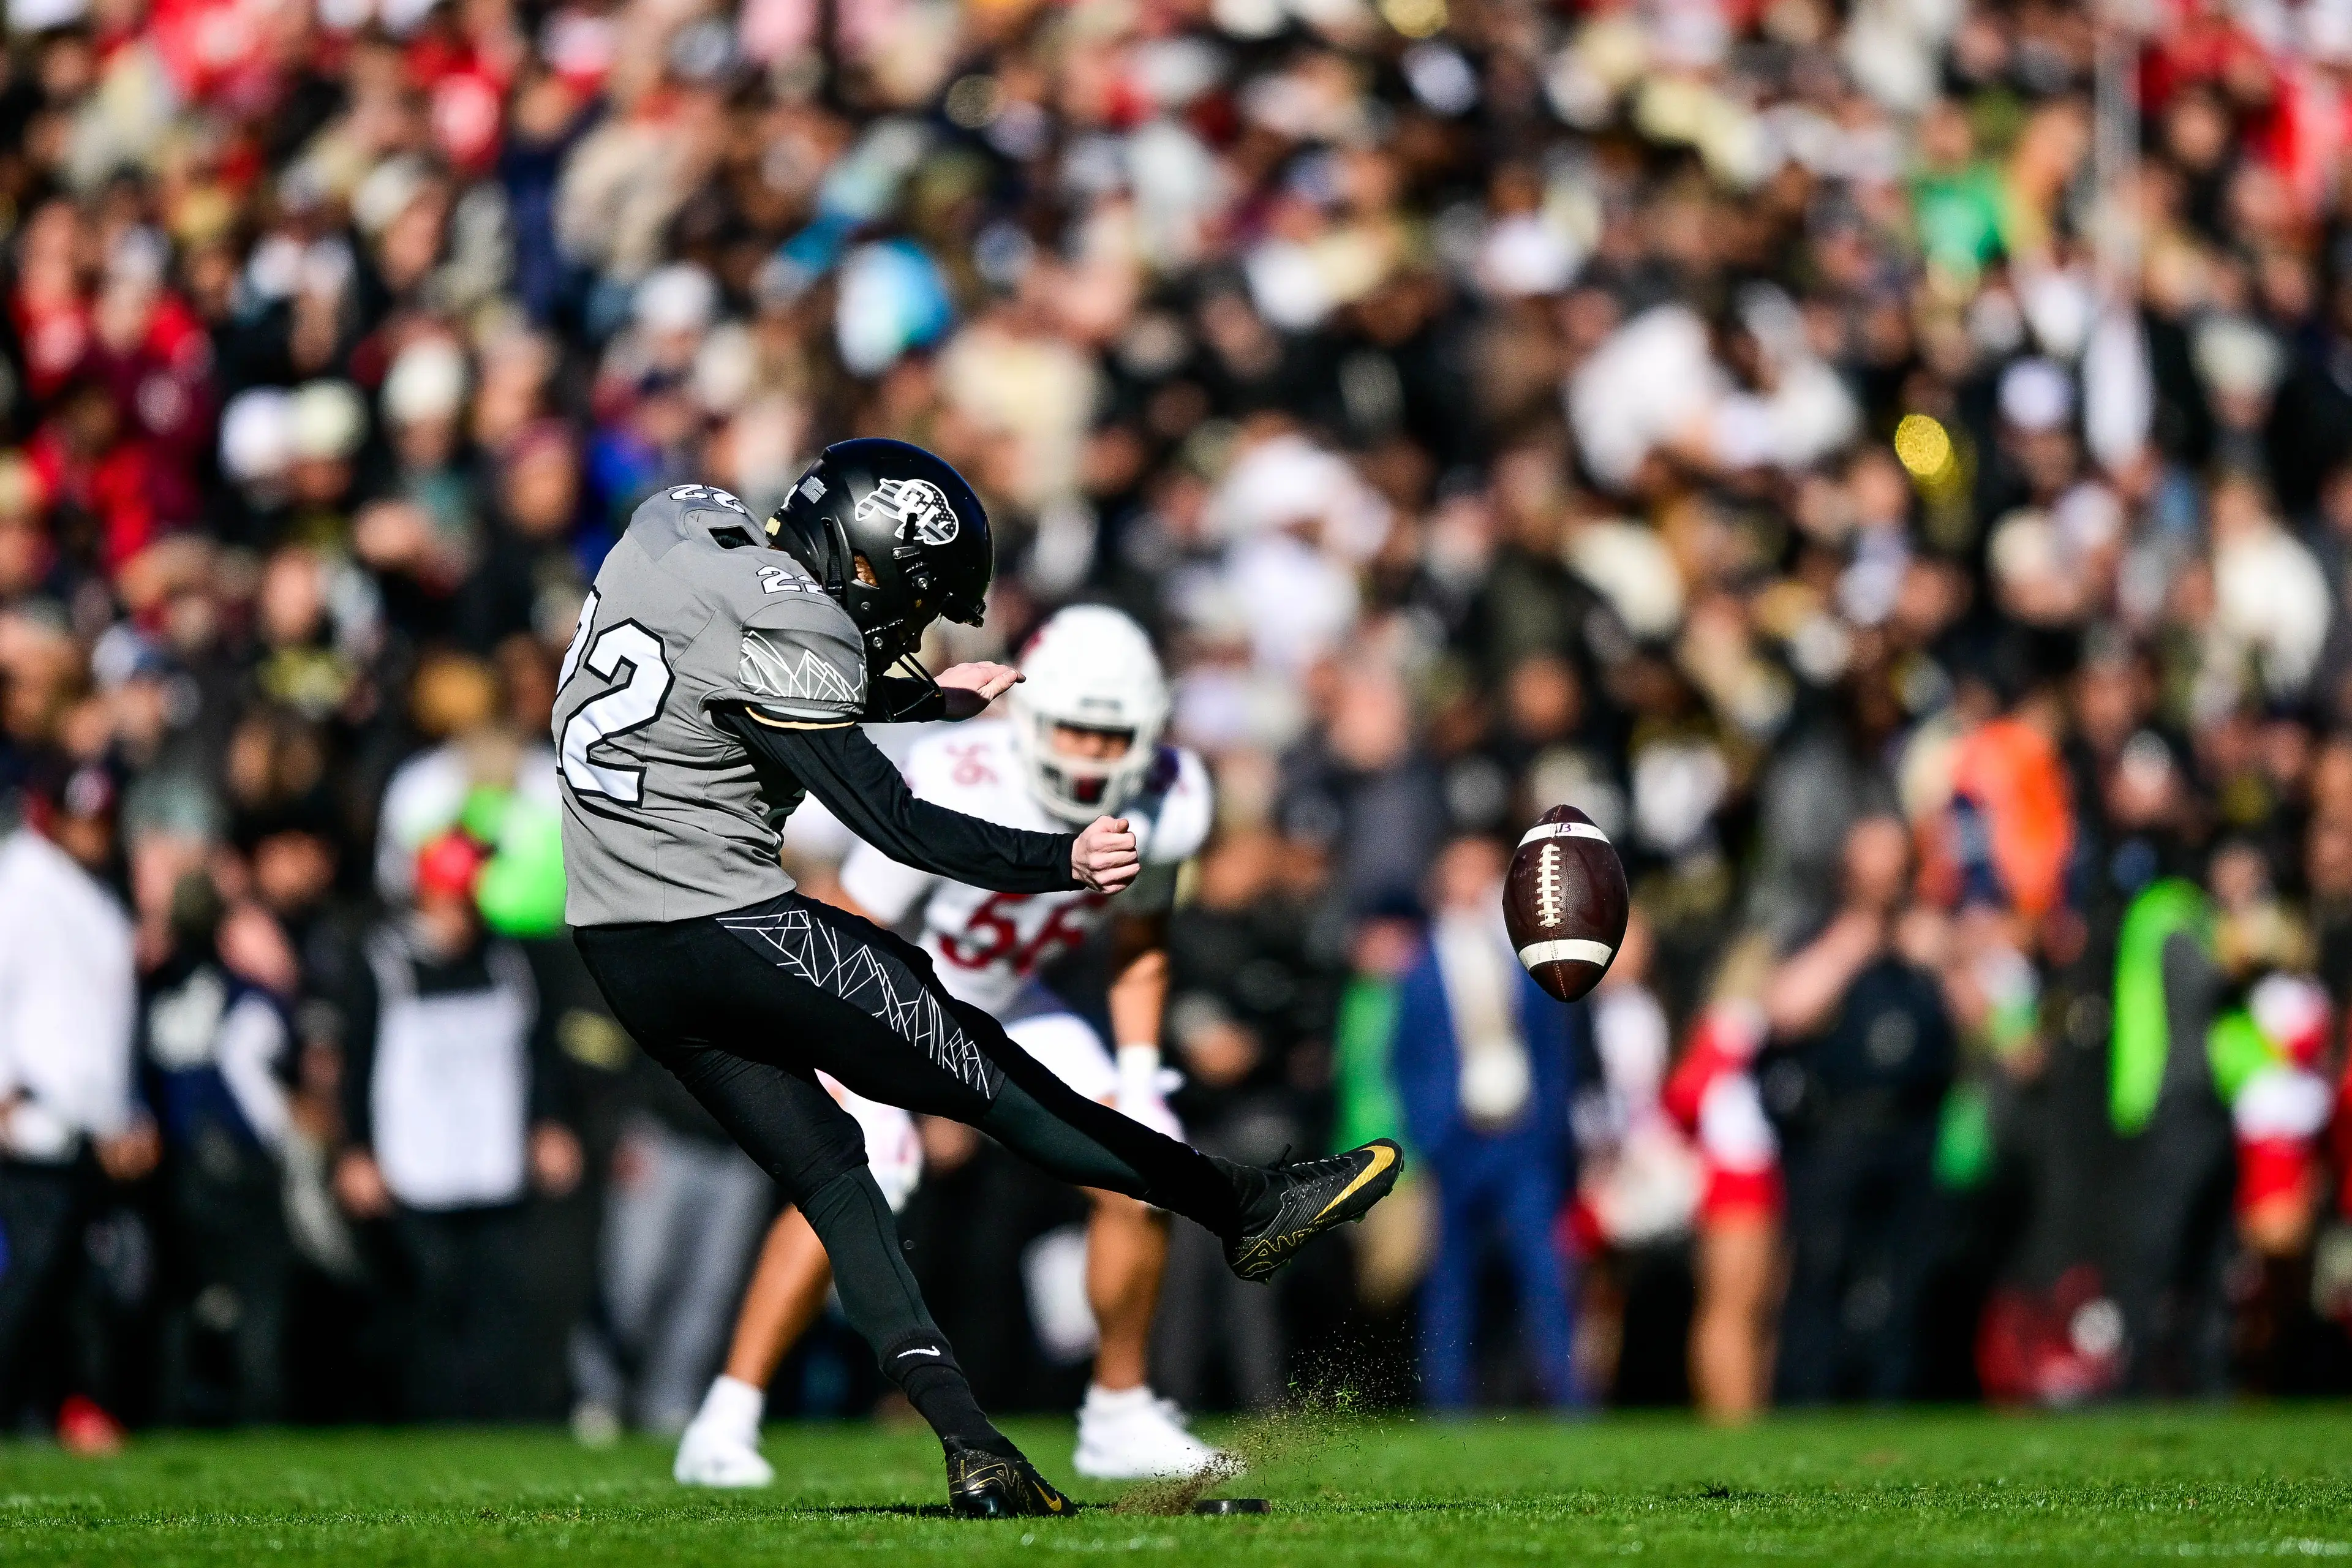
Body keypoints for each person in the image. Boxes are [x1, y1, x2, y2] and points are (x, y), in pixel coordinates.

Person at [555, 440, 1402, 1517]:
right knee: (998, 1083)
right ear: (864, 563)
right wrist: (1060, 860)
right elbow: (894, 823)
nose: (909, 628)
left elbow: (723, 665)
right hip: (729, 921)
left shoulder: (677, 533)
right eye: (909, 600)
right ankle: (1247, 1206)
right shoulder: (797, 625)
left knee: (837, 1179)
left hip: (621, 945)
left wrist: (920, 704)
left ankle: (973, 1449)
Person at [673, 605, 1219, 1486]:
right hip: (898, 989)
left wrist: (1141, 1071)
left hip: (1014, 999)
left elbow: (1139, 942)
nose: (1090, 755)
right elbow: (855, 924)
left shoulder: (1170, 793)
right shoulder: (959, 774)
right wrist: (867, 1069)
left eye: (1111, 735)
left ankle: (1118, 1411)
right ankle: (726, 1414)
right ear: (1033, 719)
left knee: (1147, 1158)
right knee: (864, 1174)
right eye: (1075, 729)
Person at [1390, 835, 1580, 1408]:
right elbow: (1405, 1058)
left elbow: (1555, 1049)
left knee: (1546, 1274)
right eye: (1464, 870)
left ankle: (1572, 1397)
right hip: (1458, 1139)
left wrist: (1546, 1126)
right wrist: (1431, 1133)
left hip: (1521, 1139)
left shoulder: (1528, 957)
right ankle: (1448, 1403)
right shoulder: (1420, 965)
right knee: (1451, 1279)